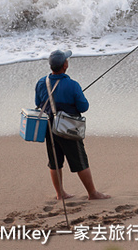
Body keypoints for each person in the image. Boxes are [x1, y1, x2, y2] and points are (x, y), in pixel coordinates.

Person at [35, 49, 110, 201]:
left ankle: (60, 193)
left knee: (54, 161)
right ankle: (92, 193)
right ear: (65, 66)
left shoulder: (42, 82)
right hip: (67, 127)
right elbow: (83, 107)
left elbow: (38, 103)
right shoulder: (72, 85)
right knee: (80, 160)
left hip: (49, 127)